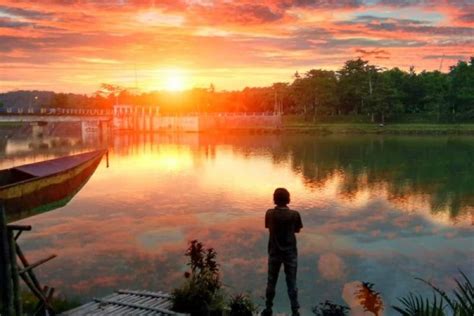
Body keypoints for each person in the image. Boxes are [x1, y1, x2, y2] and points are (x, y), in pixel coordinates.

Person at [262, 188, 303, 316]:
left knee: (271, 281)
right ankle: (295, 310)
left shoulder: (269, 213)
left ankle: (268, 308)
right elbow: (297, 230)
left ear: (274, 199)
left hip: (274, 252)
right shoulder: (294, 214)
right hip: (290, 253)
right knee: (292, 282)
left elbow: (268, 226)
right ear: (288, 199)